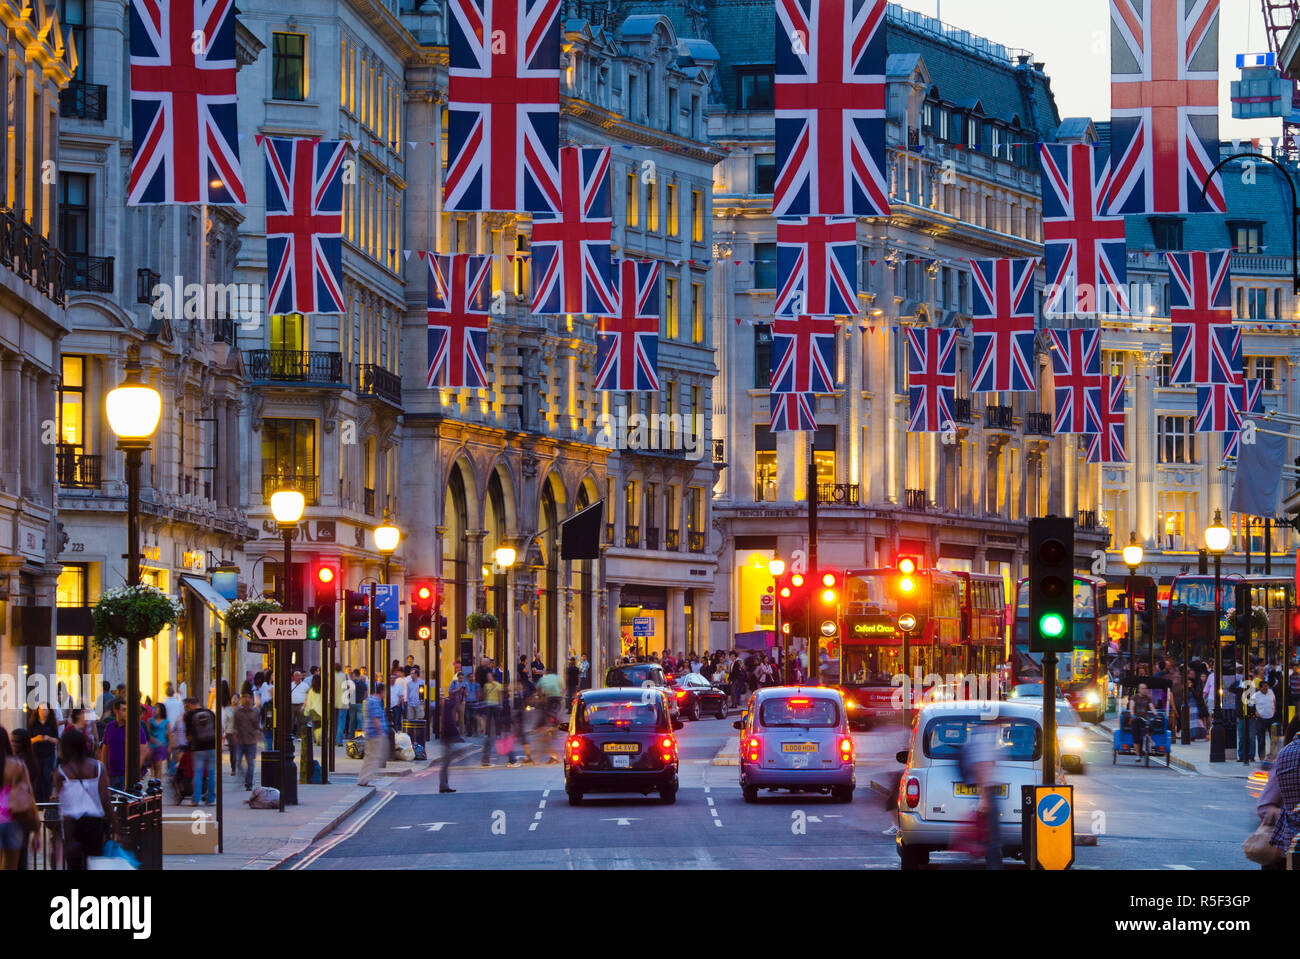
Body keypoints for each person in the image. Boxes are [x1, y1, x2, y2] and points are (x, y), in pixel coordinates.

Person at [53, 728, 114, 871]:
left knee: (73, 864)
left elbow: (62, 804)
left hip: (71, 824)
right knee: (94, 862)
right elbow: (105, 799)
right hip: (94, 822)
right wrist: (115, 826)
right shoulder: (98, 768)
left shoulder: (61, 772)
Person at [0, 727, 38, 871]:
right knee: (12, 866)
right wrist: (37, 829)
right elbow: (28, 795)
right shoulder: (17, 765)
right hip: (13, 820)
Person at [99, 699, 146, 791]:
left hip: (128, 775)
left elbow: (143, 750)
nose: (126, 713)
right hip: (112, 774)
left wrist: (136, 772)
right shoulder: (109, 727)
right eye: (124, 710)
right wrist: (104, 771)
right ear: (116, 711)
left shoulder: (135, 727)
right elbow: (105, 748)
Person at [184, 698, 217, 806]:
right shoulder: (210, 713)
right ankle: (211, 798)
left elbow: (188, 735)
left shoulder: (190, 715)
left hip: (197, 748)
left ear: (190, 704)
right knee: (212, 773)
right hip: (212, 746)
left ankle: (195, 799)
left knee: (197, 774)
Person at [357, 682, 390, 786]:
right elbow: (376, 718)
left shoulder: (370, 700)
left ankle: (362, 779)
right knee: (374, 758)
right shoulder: (375, 701)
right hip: (376, 734)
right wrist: (381, 733)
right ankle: (364, 779)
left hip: (369, 733)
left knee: (369, 757)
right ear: (383, 691)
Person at [231, 691, 260, 790]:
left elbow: (257, 727)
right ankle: (245, 778)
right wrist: (234, 738)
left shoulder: (255, 712)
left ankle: (249, 783)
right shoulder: (238, 712)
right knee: (238, 762)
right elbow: (235, 726)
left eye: (248, 697)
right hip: (240, 741)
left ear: (252, 699)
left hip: (251, 741)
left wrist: (256, 739)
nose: (246, 699)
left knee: (250, 764)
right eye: (244, 697)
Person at [480, 672, 504, 767]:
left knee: (497, 719)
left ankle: (498, 733)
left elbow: (500, 695)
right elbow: (485, 694)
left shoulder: (498, 685)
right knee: (488, 720)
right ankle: (488, 733)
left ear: (493, 677)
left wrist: (501, 704)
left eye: (489, 676)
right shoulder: (486, 685)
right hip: (489, 704)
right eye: (487, 676)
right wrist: (484, 702)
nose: (488, 678)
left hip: (495, 704)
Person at [1129, 683, 1155, 759]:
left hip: (1145, 719)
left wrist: (1155, 714)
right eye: (1143, 688)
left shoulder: (1148, 698)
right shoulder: (1134, 697)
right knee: (1136, 738)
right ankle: (1137, 756)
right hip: (1136, 719)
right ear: (1139, 689)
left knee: (1151, 726)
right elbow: (1131, 706)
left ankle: (1149, 740)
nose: (1144, 690)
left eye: (1145, 688)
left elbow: (1151, 706)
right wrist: (1132, 715)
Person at [1254, 674, 1276, 761]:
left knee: (1273, 738)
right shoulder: (1256, 695)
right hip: (1261, 719)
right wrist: (1256, 712)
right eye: (1264, 687)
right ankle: (1261, 756)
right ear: (1260, 688)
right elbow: (1252, 705)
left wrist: (1274, 710)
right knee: (1261, 739)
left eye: (1267, 686)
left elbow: (1274, 701)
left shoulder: (1271, 692)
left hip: (1271, 717)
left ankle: (1272, 755)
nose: (1266, 688)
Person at [439, 695, 457, 794]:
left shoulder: (446, 706)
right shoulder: (449, 707)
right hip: (447, 738)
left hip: (446, 737)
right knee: (446, 762)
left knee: (446, 762)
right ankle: (443, 785)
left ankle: (444, 785)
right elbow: (450, 723)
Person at [146, 702, 169, 780]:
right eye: (154, 708)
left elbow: (168, 734)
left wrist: (170, 746)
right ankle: (155, 781)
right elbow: (147, 733)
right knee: (153, 767)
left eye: (156, 708)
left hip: (162, 745)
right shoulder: (150, 721)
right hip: (152, 746)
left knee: (159, 766)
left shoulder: (166, 721)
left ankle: (158, 783)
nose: (154, 710)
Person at [334, 664, 352, 747]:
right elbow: (351, 687)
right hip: (343, 701)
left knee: (333, 722)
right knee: (341, 722)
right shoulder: (345, 676)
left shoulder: (331, 676)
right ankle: (339, 740)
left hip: (333, 701)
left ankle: (333, 739)